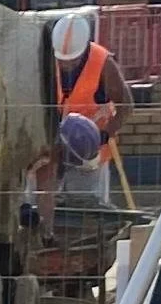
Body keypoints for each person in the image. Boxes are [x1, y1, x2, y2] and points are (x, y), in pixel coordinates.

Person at [25, 12, 135, 235]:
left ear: (85, 50)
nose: (66, 65)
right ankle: (44, 237)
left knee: (86, 209)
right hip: (52, 142)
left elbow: (126, 105)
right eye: (61, 61)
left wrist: (104, 135)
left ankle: (87, 248)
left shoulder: (103, 64)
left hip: (88, 149)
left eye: (72, 60)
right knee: (38, 202)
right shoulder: (44, 59)